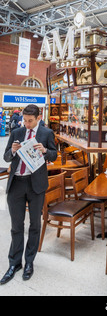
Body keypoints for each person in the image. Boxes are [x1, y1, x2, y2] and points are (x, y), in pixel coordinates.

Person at [0, 104, 57, 285]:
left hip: (36, 185)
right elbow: (6, 157)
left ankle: (29, 262)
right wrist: (14, 151)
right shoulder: (17, 132)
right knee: (16, 226)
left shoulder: (46, 134)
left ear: (38, 118)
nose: (26, 124)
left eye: (30, 121)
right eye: (24, 120)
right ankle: (14, 263)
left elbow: (54, 155)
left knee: (34, 225)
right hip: (16, 183)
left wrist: (45, 151)